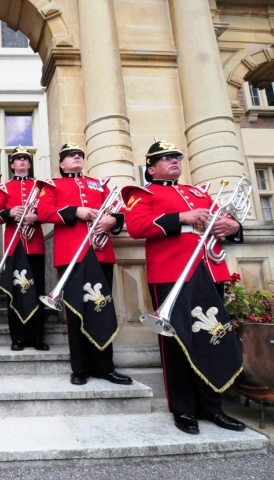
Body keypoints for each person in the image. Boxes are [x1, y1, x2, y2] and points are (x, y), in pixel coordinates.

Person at [123, 139, 246, 435]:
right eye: (166, 158)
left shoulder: (197, 191)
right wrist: (181, 218)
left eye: (176, 156)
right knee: (177, 345)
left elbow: (224, 220)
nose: (175, 160)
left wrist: (235, 227)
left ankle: (212, 407)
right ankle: (184, 409)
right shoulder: (142, 192)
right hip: (171, 274)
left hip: (209, 272)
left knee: (211, 339)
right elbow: (137, 227)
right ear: (151, 168)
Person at [37, 143, 132, 386]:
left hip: (100, 254)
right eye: (70, 155)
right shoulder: (52, 185)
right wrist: (75, 211)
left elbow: (121, 211)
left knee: (101, 309)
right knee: (76, 313)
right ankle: (79, 368)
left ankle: (105, 366)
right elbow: (44, 212)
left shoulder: (100, 184)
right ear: (61, 163)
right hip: (71, 256)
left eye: (79, 155)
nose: (77, 157)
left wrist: (112, 220)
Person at [0, 146, 47, 351]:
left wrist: (37, 217)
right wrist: (10, 212)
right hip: (14, 247)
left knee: (38, 291)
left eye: (25, 158)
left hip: (35, 246)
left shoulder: (40, 187)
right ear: (12, 164)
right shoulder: (3, 188)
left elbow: (49, 212)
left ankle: (37, 336)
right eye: (17, 159)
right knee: (14, 292)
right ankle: (18, 337)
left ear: (29, 164)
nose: (22, 161)